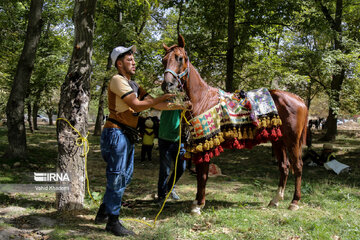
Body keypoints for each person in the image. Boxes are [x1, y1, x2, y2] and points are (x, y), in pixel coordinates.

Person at [94, 45, 184, 237]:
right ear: (119, 63)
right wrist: (162, 97)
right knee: (118, 175)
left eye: (134, 59)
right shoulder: (117, 80)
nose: (134, 62)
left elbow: (154, 103)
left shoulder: (133, 85)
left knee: (125, 176)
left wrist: (182, 105)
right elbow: (136, 104)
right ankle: (113, 221)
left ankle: (104, 210)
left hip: (126, 135)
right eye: (129, 59)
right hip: (116, 133)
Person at [157, 109, 187, 206]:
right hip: (165, 139)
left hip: (179, 141)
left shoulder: (184, 102)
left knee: (181, 167)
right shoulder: (167, 100)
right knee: (165, 170)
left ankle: (169, 188)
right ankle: (161, 196)